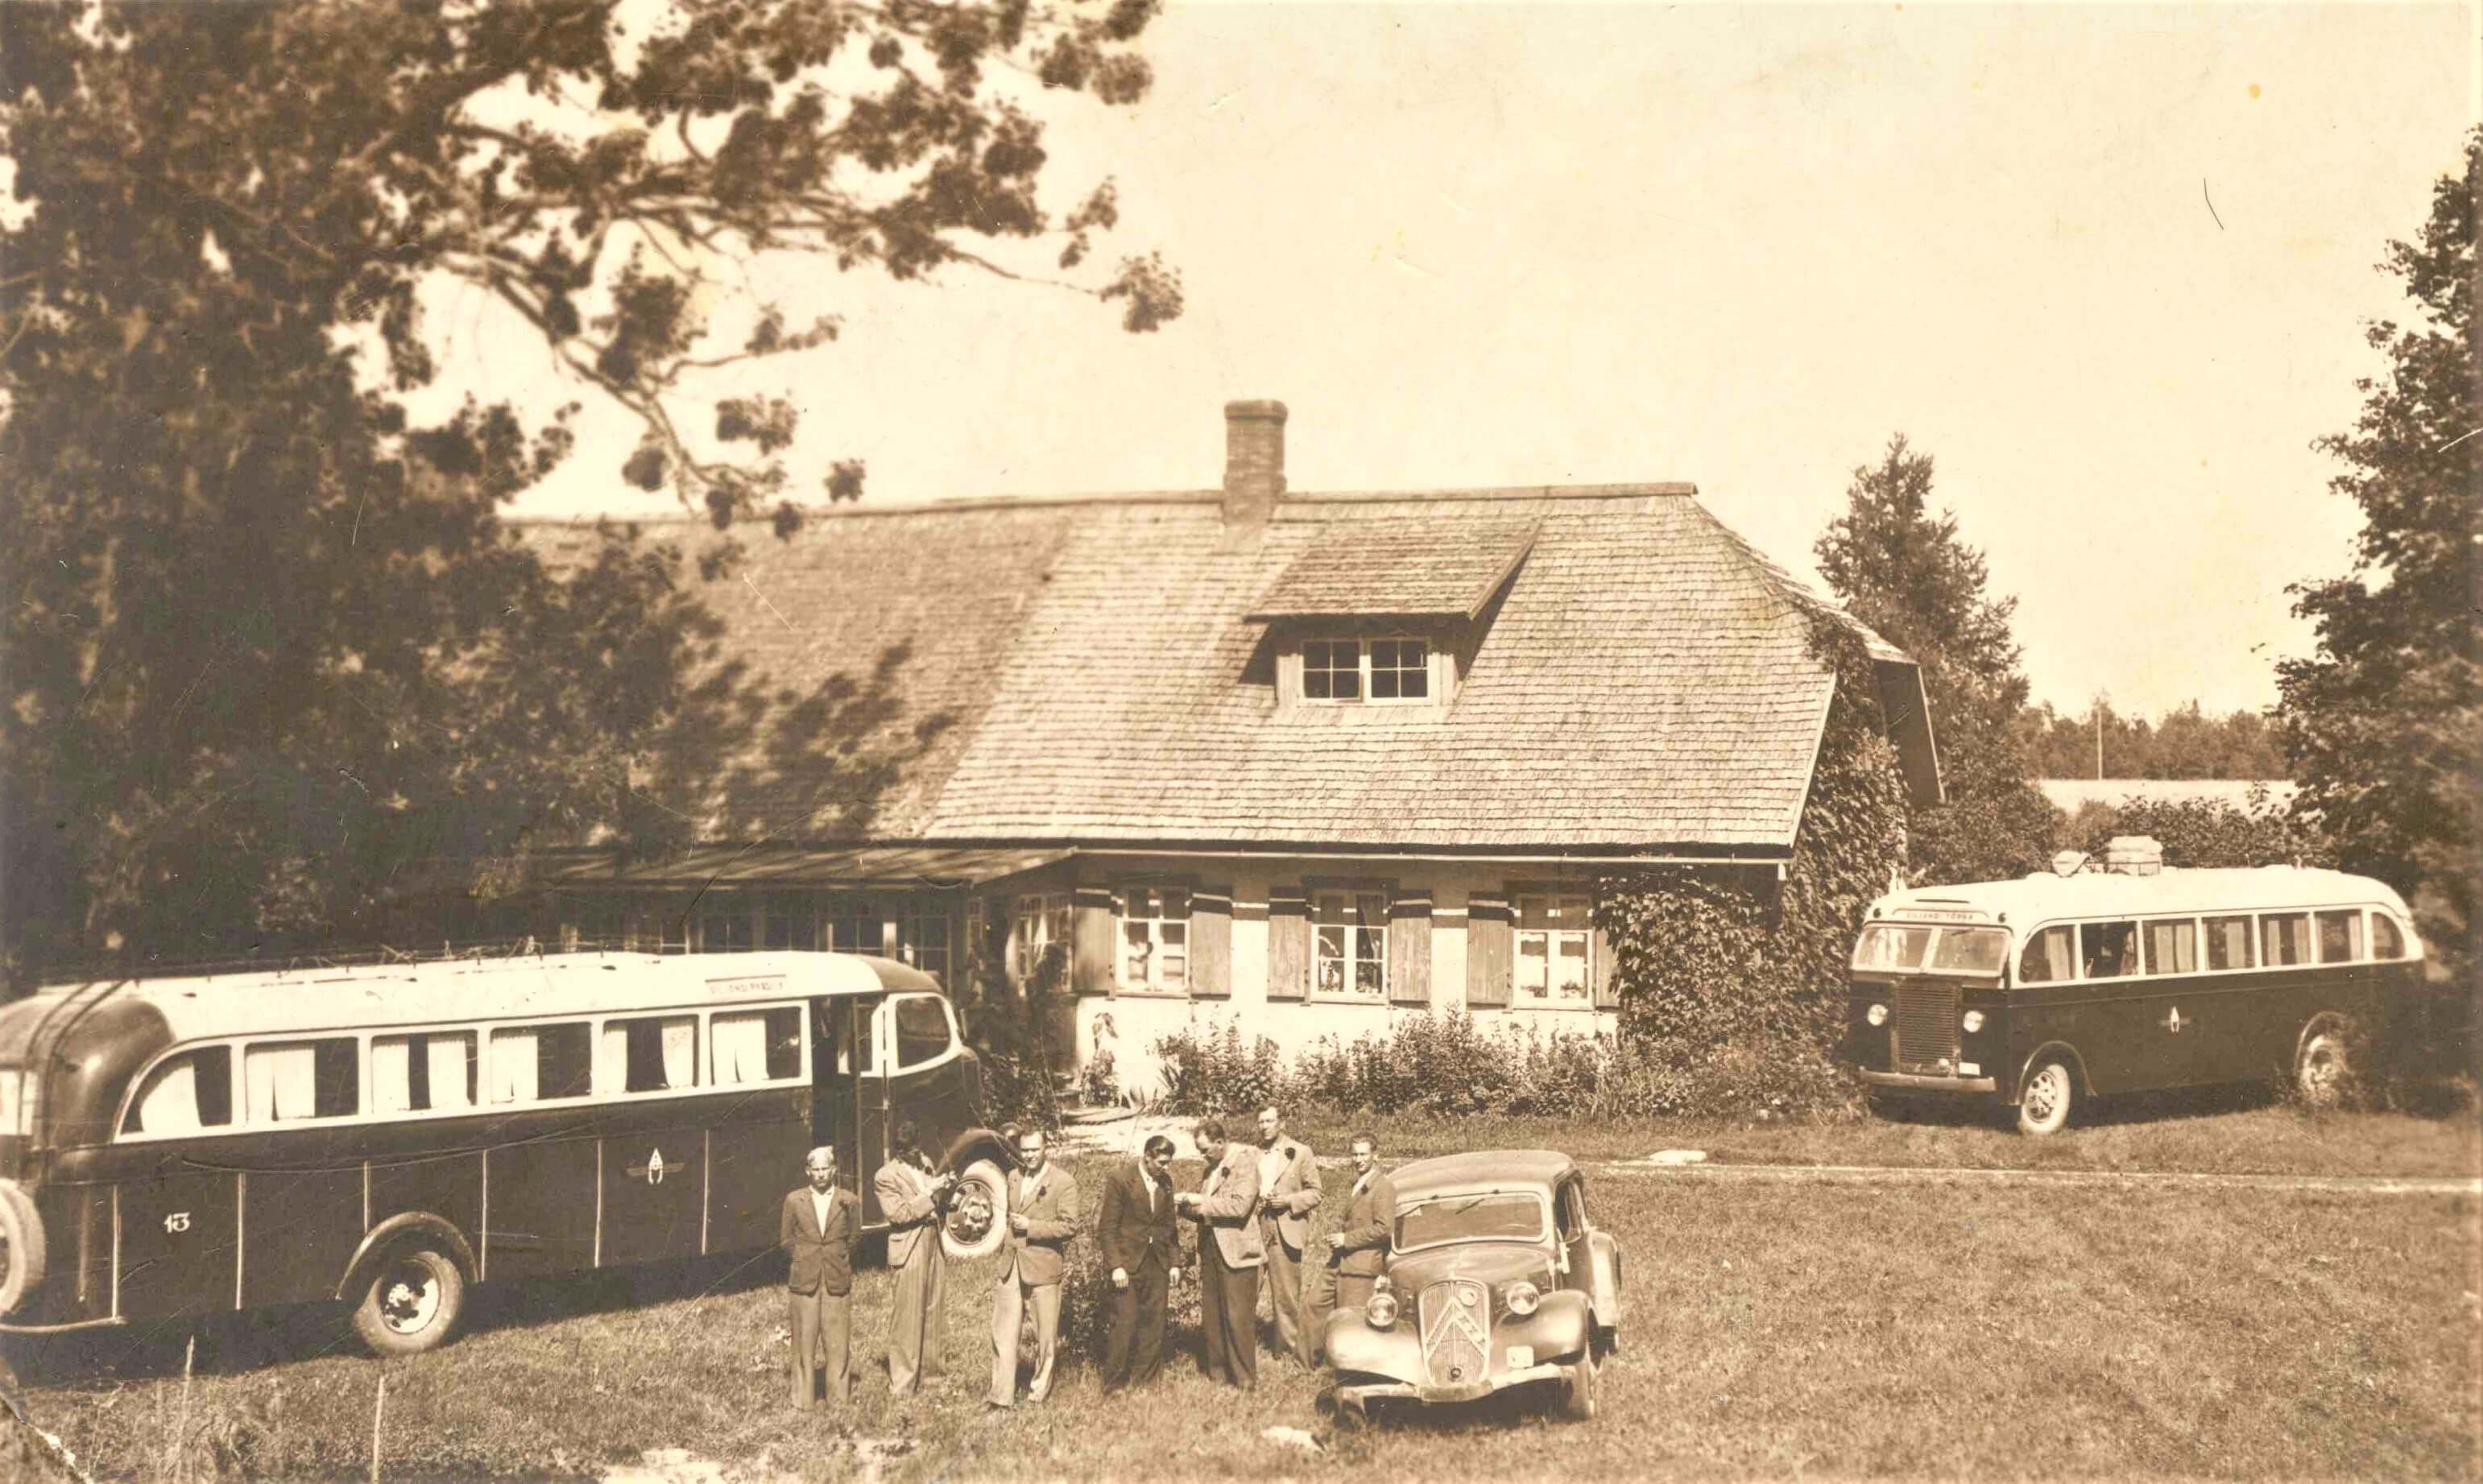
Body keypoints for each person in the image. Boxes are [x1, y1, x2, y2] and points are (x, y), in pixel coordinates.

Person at [989, 1126, 1080, 1408]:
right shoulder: (1014, 1177)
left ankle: (1038, 1392)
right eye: (1024, 1150)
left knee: (1045, 1336)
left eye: (1034, 1150)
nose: (1029, 1156)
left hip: (1043, 1266)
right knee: (1003, 1332)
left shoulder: (1063, 1182)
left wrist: (1032, 1227)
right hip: (1011, 1264)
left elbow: (1070, 1226)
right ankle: (1000, 1395)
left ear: (1045, 1148)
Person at [1177, 1117, 1264, 1391]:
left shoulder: (1245, 1164)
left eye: (1205, 1150)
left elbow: (1239, 1207)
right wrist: (1184, 1207)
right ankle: (1217, 1374)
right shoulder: (1210, 1170)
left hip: (1238, 1250)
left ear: (1220, 1142)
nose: (1202, 1156)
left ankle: (1245, 1380)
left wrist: (1200, 1202)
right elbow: (1207, 1210)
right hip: (1211, 1247)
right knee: (1212, 1313)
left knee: (1237, 1317)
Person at [875, 1121, 958, 1398]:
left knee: (933, 1311)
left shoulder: (926, 1163)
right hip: (909, 1246)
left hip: (933, 1240)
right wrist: (930, 1194)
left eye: (916, 1148)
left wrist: (947, 1191)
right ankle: (903, 1385)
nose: (914, 1154)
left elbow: (938, 1204)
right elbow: (899, 1214)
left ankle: (932, 1379)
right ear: (898, 1150)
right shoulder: (884, 1176)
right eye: (907, 1150)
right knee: (907, 1316)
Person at [1095, 1133, 1182, 1393]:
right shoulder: (1121, 1181)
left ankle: (1147, 1382)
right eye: (1162, 1163)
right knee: (1125, 1323)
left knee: (1155, 1323)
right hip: (1127, 1264)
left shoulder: (1165, 1182)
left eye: (1168, 1163)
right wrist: (1116, 1266)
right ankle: (1114, 1385)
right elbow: (1107, 1229)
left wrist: (1175, 1263)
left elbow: (1170, 1226)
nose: (1166, 1168)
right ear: (1147, 1157)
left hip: (1157, 1263)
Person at [780, 1145, 862, 1411]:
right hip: (805, 1279)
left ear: (834, 1170)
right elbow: (786, 1240)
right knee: (804, 1339)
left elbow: (854, 1238)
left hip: (836, 1278)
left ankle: (838, 1399)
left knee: (837, 1340)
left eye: (825, 1169)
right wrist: (806, 1258)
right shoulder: (794, 1200)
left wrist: (836, 1258)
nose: (820, 1174)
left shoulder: (849, 1200)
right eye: (815, 1170)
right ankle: (803, 1400)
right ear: (807, 1172)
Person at [1305, 1130, 1395, 1362]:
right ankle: (1306, 1364)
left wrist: (1347, 1239)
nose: (1359, 1159)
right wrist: (1336, 1231)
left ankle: (1346, 1370)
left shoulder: (1382, 1186)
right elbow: (1348, 1215)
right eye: (1355, 1155)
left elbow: (1384, 1229)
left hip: (1361, 1263)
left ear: (1376, 1155)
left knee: (1350, 1321)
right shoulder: (1356, 1183)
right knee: (1313, 1304)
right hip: (1339, 1259)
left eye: (1364, 1154)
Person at [1253, 1105, 1322, 1366]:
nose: (1265, 1126)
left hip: (1285, 1227)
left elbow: (1316, 1192)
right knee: (1248, 1288)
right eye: (1261, 1122)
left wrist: (1288, 1201)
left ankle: (1287, 1351)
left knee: (1286, 1294)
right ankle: (1243, 1344)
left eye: (1270, 1120)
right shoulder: (1253, 1154)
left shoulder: (1300, 1152)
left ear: (1281, 1123)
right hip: (1256, 1227)